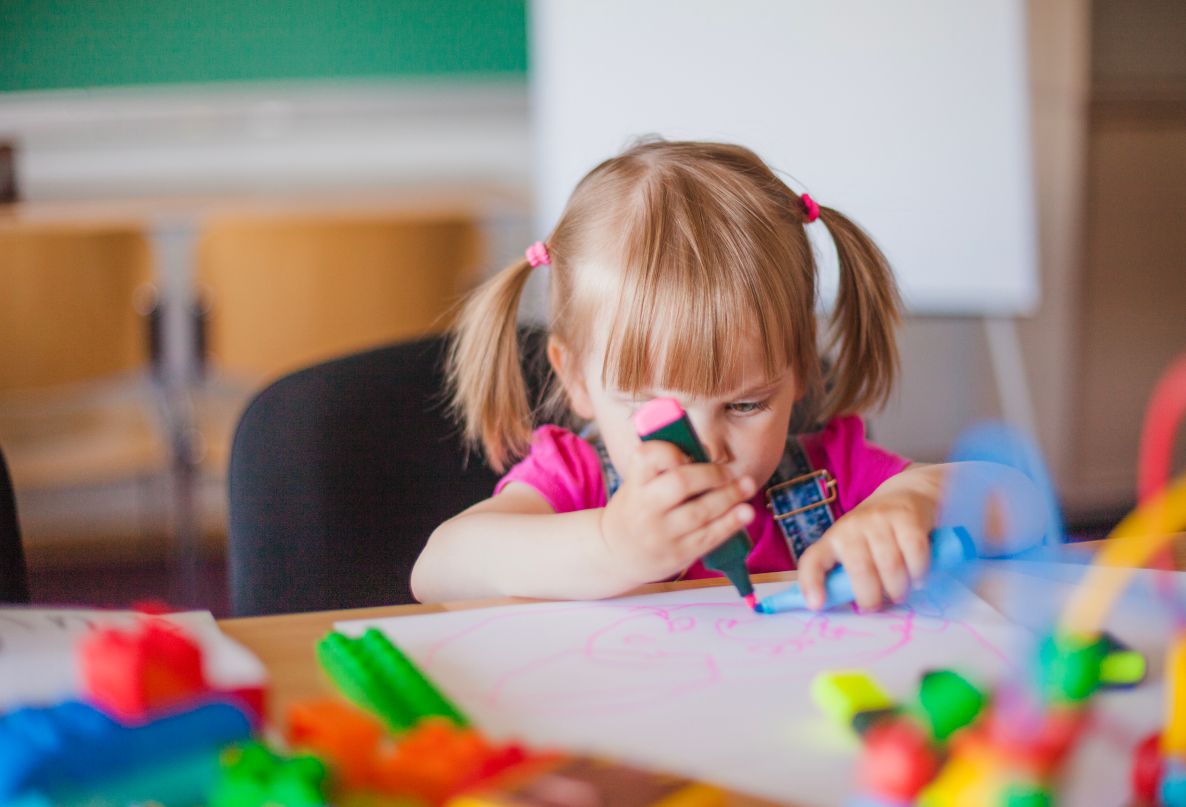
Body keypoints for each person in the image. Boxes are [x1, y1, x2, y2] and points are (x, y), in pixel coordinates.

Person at [412, 139, 1044, 609]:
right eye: (654, 411)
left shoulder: (831, 476)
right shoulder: (573, 481)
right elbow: (437, 570)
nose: (707, 448)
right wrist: (611, 545)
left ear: (797, 374)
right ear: (575, 379)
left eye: (744, 406)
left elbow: (1023, 506)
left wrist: (913, 502)